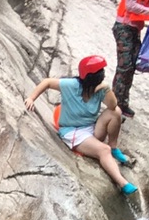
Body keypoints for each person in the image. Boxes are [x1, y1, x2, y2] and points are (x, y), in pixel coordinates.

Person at [23, 56, 139, 195]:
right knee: (103, 150)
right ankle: (122, 183)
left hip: (91, 128)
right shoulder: (71, 85)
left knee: (116, 112)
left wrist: (106, 88)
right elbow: (47, 82)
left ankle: (114, 148)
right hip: (73, 132)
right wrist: (31, 98)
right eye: (100, 72)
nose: (103, 73)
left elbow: (113, 106)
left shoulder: (100, 89)